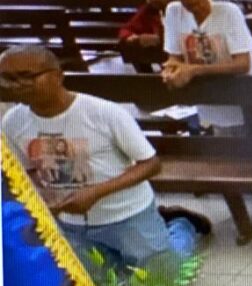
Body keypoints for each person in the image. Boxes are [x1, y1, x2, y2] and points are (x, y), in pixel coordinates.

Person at [0, 46, 212, 270]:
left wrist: (95, 193)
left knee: (165, 277)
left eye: (27, 76)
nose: (16, 85)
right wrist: (45, 195)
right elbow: (29, 169)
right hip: (71, 221)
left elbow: (151, 164)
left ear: (58, 75)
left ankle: (182, 226)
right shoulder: (13, 122)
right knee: (104, 281)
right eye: (7, 78)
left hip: (126, 213)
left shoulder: (103, 113)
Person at [162, 0, 252, 136]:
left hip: (248, 108)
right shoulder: (174, 12)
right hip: (210, 110)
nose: (192, 5)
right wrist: (170, 72)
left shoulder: (229, 11)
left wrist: (194, 70)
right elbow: (174, 57)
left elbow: (243, 64)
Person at [119, 0, 172, 72]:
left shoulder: (181, 8)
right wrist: (132, 36)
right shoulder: (150, 9)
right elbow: (127, 29)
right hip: (157, 55)